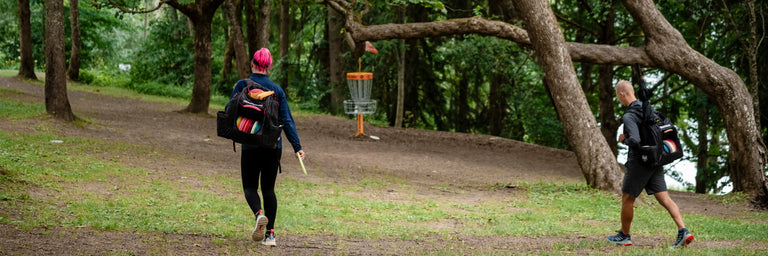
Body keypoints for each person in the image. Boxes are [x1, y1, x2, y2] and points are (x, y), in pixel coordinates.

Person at [229, 48, 306, 247]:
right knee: (269, 189)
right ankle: (270, 235)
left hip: (250, 144)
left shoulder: (242, 85)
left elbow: (230, 110)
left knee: (249, 187)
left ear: (252, 64)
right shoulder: (277, 91)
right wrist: (297, 147)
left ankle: (258, 214)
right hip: (273, 145)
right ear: (269, 66)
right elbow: (287, 120)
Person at [608, 80, 693, 248]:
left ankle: (624, 236)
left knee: (627, 198)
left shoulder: (629, 115)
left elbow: (635, 140)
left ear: (622, 94)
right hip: (655, 159)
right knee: (664, 198)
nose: (619, 99)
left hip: (640, 162)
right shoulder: (649, 109)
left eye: (618, 96)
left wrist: (624, 140)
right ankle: (683, 231)